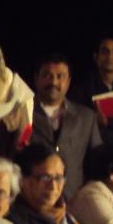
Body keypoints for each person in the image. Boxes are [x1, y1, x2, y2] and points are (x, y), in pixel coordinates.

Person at [29, 53, 102, 197]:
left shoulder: (86, 117)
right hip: (31, 198)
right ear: (36, 79)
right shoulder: (21, 112)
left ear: (68, 82)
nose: (54, 82)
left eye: (60, 76)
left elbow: (97, 162)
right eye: (47, 76)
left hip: (74, 199)